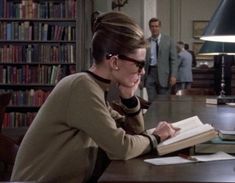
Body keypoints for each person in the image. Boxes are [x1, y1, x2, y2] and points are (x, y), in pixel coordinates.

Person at [11, 12, 179, 183]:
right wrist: (157, 137)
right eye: (139, 64)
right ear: (114, 62)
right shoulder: (82, 86)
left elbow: (133, 133)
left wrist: (129, 99)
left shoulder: (95, 87)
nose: (142, 71)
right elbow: (121, 148)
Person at [143, 18, 178, 101]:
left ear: (160, 27)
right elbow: (143, 61)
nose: (154, 28)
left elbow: (174, 60)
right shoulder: (146, 42)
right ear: (149, 28)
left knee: (163, 102)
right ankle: (152, 114)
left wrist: (173, 75)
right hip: (150, 73)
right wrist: (141, 78)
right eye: (152, 26)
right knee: (151, 101)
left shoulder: (169, 40)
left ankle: (162, 114)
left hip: (164, 75)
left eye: (156, 26)